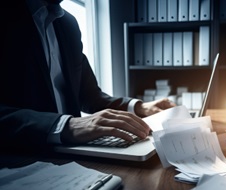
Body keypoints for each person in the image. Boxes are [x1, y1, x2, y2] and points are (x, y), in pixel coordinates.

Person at [0, 0, 175, 149]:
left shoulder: (68, 24)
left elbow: (89, 96)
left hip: (72, 155)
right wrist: (65, 126)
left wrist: (138, 107)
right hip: (19, 159)